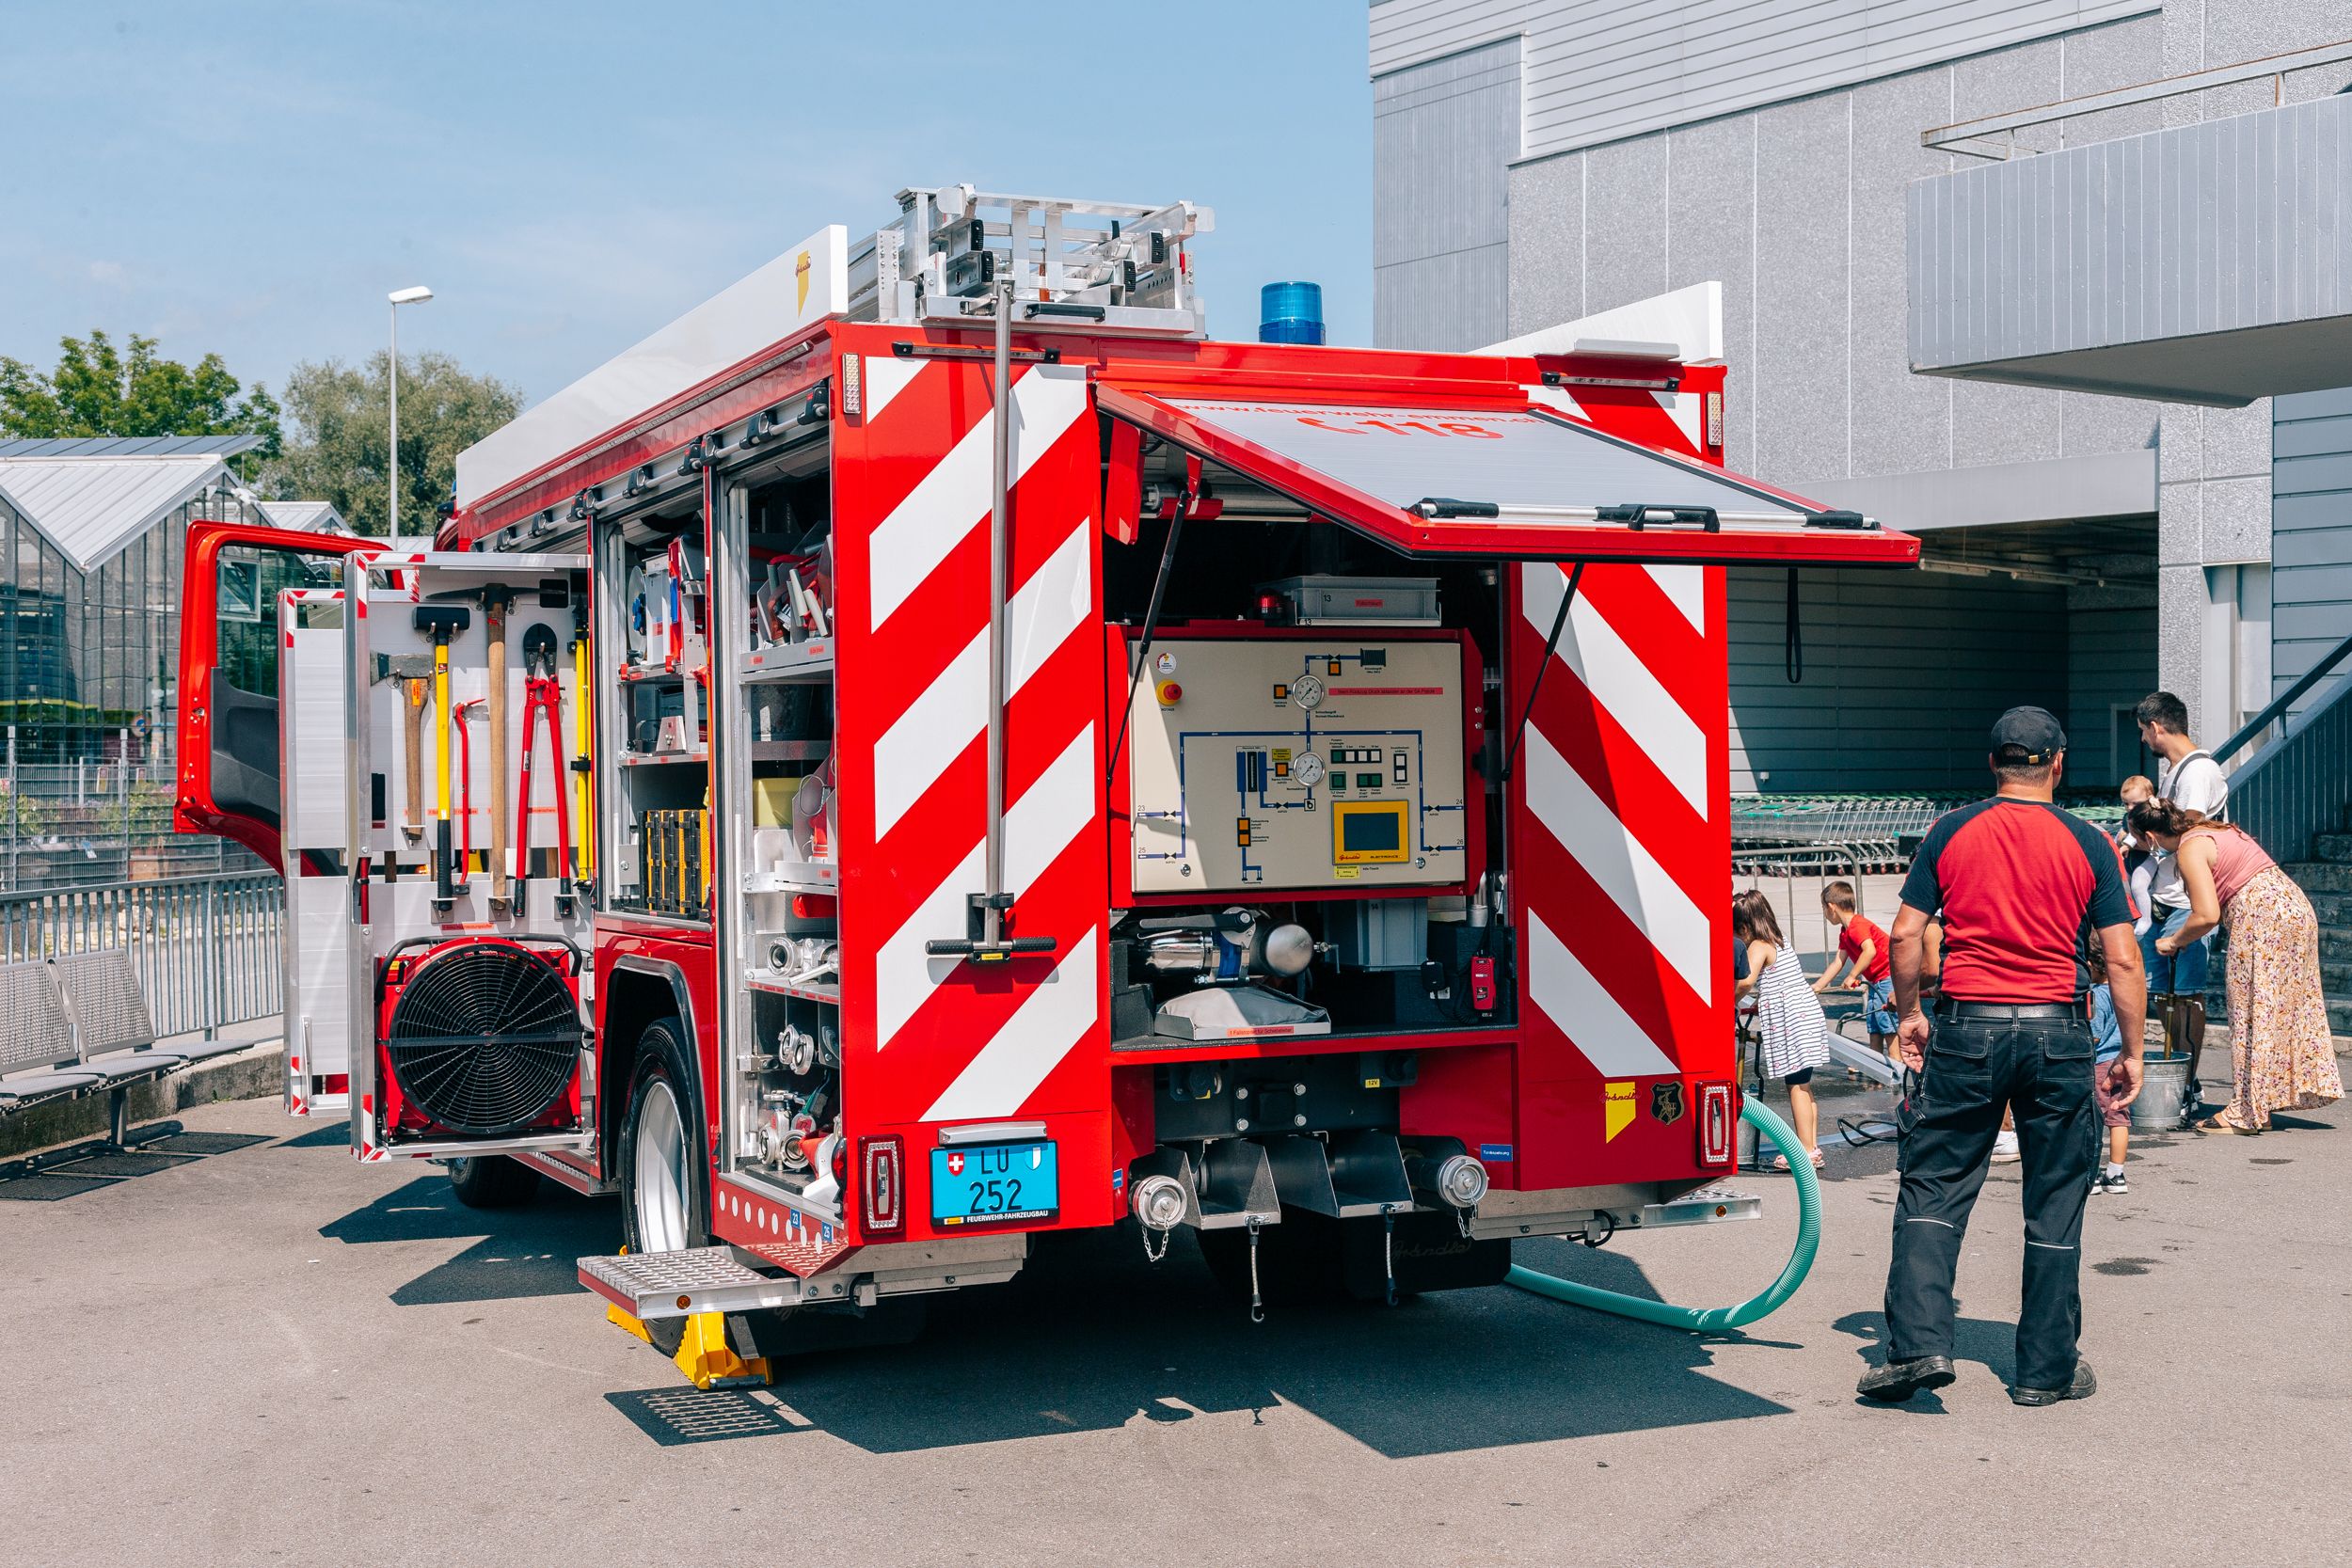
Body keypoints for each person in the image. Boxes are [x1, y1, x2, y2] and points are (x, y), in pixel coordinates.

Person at [1860, 707, 2144, 1409]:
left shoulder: (1951, 830)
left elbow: (1902, 936)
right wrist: (2132, 1050)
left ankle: (1920, 1345)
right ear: (2057, 763)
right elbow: (2122, 957)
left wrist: (1910, 1014)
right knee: (2054, 1199)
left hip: (1967, 1027)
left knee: (1935, 1185)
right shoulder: (2090, 841)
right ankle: (2045, 1370)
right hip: (2057, 1029)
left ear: (1993, 764)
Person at [2124, 800, 2344, 1133]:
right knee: (2281, 1010)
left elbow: (2206, 914)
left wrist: (2174, 940)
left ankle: (2245, 1112)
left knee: (2250, 1009)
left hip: (2261, 916)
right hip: (2293, 908)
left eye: (2138, 839)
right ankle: (2262, 1103)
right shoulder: (2210, 828)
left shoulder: (2189, 848)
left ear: (2151, 836)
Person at [2134, 692, 2227, 1105]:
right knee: (2163, 995)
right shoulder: (2174, 772)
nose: (2143, 740)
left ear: (2156, 727)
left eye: (2143, 731)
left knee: (2187, 995)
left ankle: (2187, 1082)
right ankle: (2175, 1078)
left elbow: (2186, 827)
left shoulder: (2199, 771)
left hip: (2188, 901)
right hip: (2162, 897)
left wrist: (2149, 829)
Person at [1733, 888, 1831, 1171]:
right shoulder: (1780, 939)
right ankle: (1812, 1147)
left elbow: (1745, 982)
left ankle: (1803, 1152)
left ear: (1744, 927)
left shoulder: (1758, 946)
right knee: (1804, 1084)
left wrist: (1729, 1001)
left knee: (1795, 1087)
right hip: (1806, 1015)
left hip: (1793, 1020)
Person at [1815, 881, 1896, 1069]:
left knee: (1887, 1023)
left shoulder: (1857, 926)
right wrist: (1818, 985)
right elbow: (1838, 962)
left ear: (1831, 907)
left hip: (1889, 976)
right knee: (1874, 1023)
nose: (1825, 914)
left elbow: (1870, 951)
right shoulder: (1845, 932)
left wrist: (1852, 975)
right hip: (1877, 979)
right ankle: (1876, 1066)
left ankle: (1896, 1064)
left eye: (1824, 909)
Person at [2086, 945, 2131, 1194]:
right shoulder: (2121, 992)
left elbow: (2094, 1036)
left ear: (2090, 967)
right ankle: (2116, 1173)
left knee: (2090, 1120)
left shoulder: (2096, 996)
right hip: (2120, 1062)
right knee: (2118, 1117)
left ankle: (2090, 1174)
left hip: (2099, 1064)